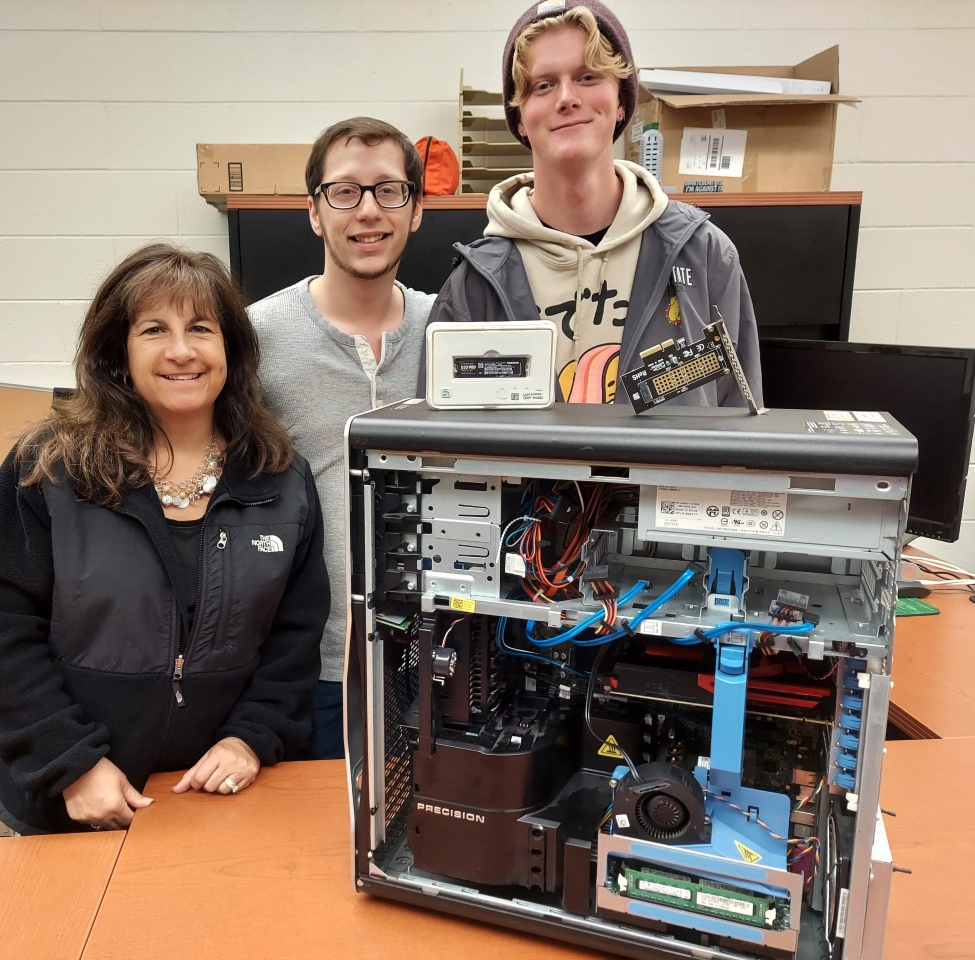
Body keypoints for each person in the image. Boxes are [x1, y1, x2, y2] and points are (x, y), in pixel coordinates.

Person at [0, 243, 329, 834]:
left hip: (219, 798)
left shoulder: (280, 478)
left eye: (201, 328)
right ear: (119, 353)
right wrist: (70, 764)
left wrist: (251, 739)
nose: (181, 351)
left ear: (230, 349)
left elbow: (296, 637)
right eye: (154, 329)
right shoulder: (50, 468)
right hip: (72, 802)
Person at [426, 0, 762, 407]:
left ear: (621, 101)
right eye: (543, 85)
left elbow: (739, 425)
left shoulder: (704, 256)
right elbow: (444, 451)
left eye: (587, 76)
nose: (566, 98)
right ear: (519, 118)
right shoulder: (474, 285)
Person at [249, 117, 434, 759]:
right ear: (313, 212)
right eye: (345, 192)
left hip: (440, 656)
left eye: (389, 190)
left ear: (416, 210)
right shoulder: (257, 337)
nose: (368, 212)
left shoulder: (454, 331)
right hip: (312, 667)